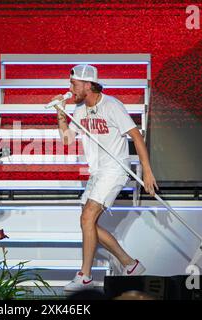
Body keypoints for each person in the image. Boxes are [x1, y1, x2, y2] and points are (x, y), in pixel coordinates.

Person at [54, 65, 159, 292]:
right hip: (97, 171)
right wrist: (60, 115)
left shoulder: (112, 106)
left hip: (115, 169)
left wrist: (147, 170)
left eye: (74, 84)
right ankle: (130, 264)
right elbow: (67, 140)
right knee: (88, 222)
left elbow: (136, 137)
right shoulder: (81, 109)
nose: (70, 88)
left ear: (88, 85)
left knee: (87, 218)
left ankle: (85, 276)